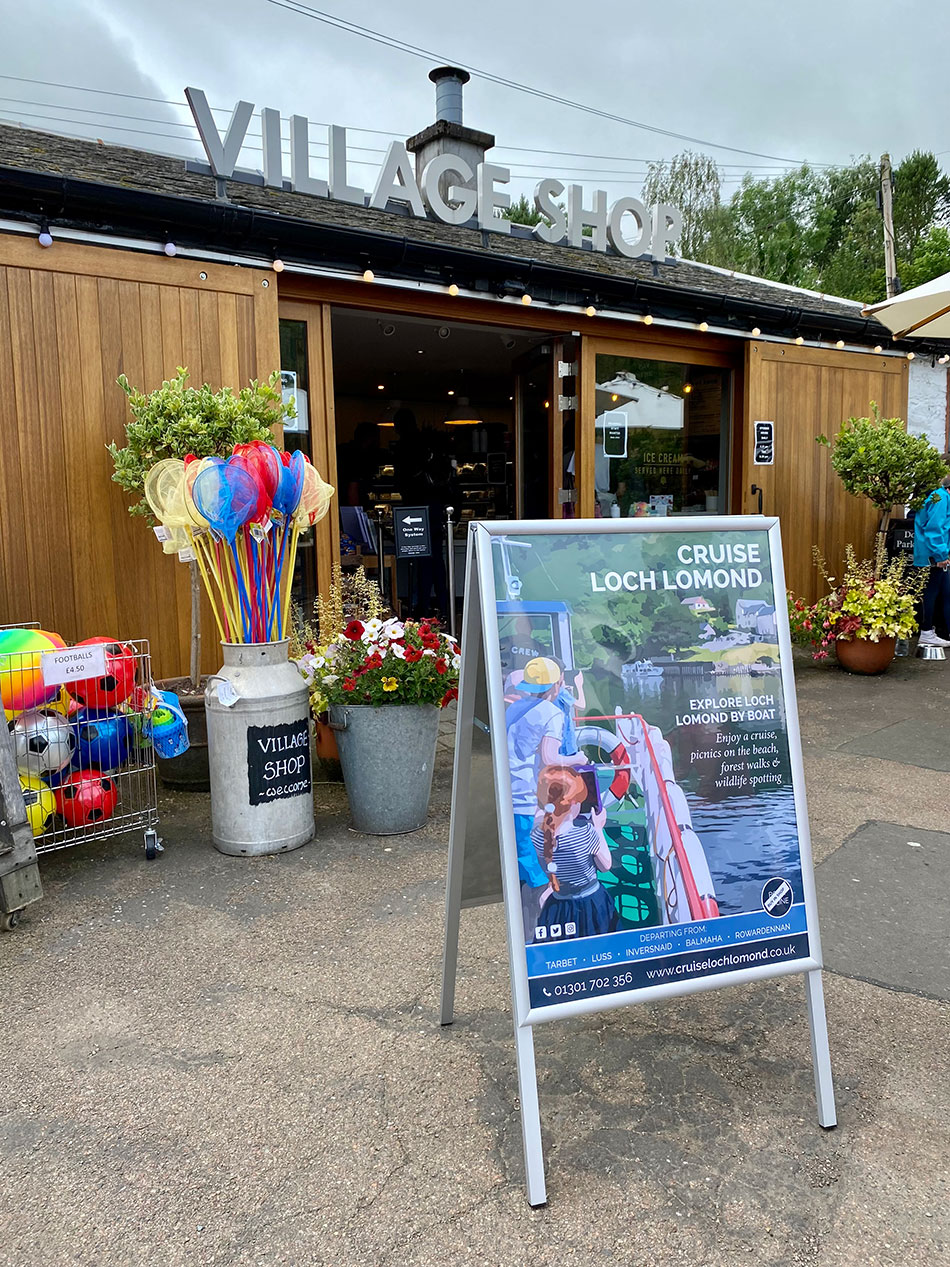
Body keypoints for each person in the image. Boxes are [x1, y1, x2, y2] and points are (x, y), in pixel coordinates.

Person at [505, 656, 588, 912]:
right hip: (524, 792)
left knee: (520, 845)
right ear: (555, 685)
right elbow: (551, 758)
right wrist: (578, 758)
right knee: (527, 849)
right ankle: (543, 905)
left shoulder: (514, 707)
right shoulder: (552, 713)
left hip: (508, 785)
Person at [530, 764, 617, 942]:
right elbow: (605, 865)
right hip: (592, 902)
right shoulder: (586, 832)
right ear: (573, 804)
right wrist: (598, 828)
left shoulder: (537, 836)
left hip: (558, 905)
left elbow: (548, 869)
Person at [913, 470, 950, 648]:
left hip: (931, 553)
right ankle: (926, 632)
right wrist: (941, 555)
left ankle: (930, 632)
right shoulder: (940, 497)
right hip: (933, 555)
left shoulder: (935, 494)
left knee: (942, 592)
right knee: (931, 592)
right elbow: (935, 528)